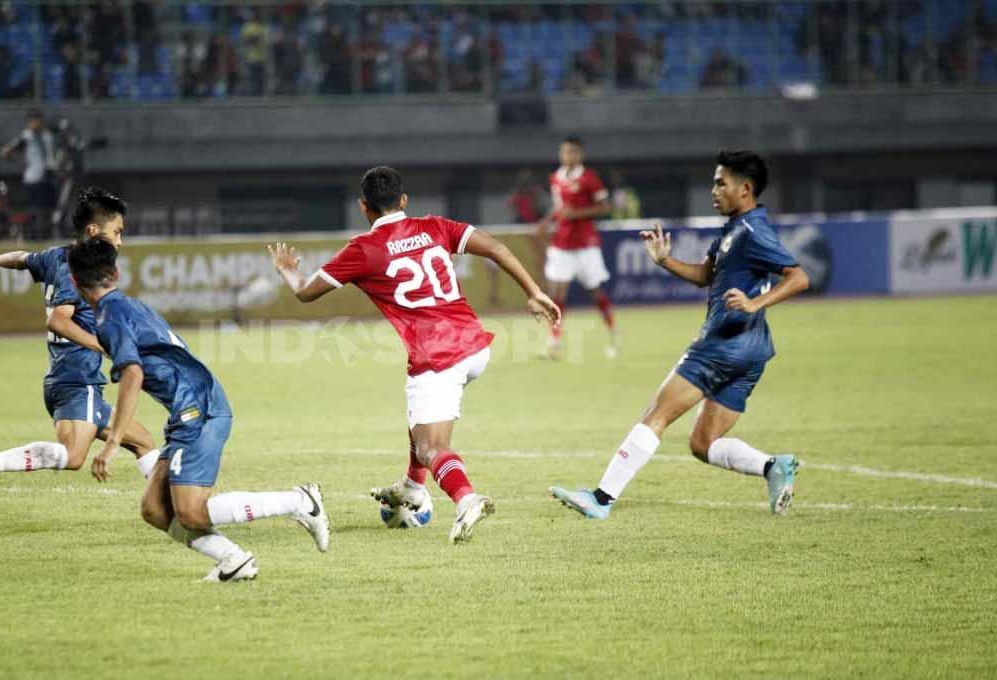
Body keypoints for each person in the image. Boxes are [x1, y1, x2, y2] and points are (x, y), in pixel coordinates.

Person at [268, 166, 560, 544]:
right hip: (474, 345)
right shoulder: (434, 227)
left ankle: (465, 497)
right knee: (418, 415)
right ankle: (411, 486)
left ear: (363, 207)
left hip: (438, 358)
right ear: (404, 200)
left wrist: (287, 270)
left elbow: (305, 291)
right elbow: (498, 248)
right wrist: (533, 291)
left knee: (431, 447)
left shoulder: (363, 250)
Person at [549, 149, 808, 520]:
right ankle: (773, 467)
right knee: (703, 443)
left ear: (746, 189)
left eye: (722, 183)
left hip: (721, 344)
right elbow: (706, 276)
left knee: (656, 414)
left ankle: (601, 500)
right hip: (751, 351)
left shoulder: (753, 231)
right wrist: (665, 260)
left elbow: (798, 277)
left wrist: (755, 304)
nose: (714, 190)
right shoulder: (734, 230)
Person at [68, 237, 329, 582]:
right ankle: (233, 560)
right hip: (188, 407)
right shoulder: (128, 307)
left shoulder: (110, 319)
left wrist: (114, 439)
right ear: (115, 272)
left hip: (199, 408)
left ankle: (298, 502)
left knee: (189, 512)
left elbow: (133, 372)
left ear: (73, 281)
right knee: (155, 510)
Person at [0, 188, 160, 504]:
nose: (120, 241)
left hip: (65, 377)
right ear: (93, 231)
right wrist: (105, 348)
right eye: (116, 232)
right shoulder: (73, 271)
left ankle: (168, 506)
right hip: (79, 378)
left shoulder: (56, 256)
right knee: (74, 456)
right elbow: (59, 321)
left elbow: (24, 259)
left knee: (143, 441)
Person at [539, 136, 618, 359]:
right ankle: (554, 341)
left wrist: (578, 214)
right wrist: (546, 222)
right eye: (565, 152)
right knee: (556, 293)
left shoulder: (589, 177)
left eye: (573, 152)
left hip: (585, 244)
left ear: (580, 154)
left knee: (595, 291)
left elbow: (606, 206)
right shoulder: (556, 177)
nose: (568, 156)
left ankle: (613, 333)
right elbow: (559, 208)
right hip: (561, 243)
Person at [0, 109, 59, 239]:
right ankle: (35, 236)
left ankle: (47, 236)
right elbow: (5, 152)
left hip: (48, 176)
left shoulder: (48, 135)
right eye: (34, 120)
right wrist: (21, 162)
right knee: (37, 209)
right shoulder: (26, 137)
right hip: (34, 177)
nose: (37, 123)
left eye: (39, 120)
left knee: (51, 208)